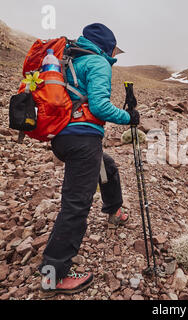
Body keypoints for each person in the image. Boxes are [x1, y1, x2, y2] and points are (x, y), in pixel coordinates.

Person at [39, 23, 140, 297]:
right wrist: (128, 117)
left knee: (106, 166)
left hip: (63, 138)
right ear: (107, 46)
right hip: (82, 138)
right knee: (76, 206)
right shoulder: (97, 62)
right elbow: (99, 106)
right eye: (113, 48)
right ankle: (54, 276)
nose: (113, 54)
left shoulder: (68, 59)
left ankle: (114, 210)